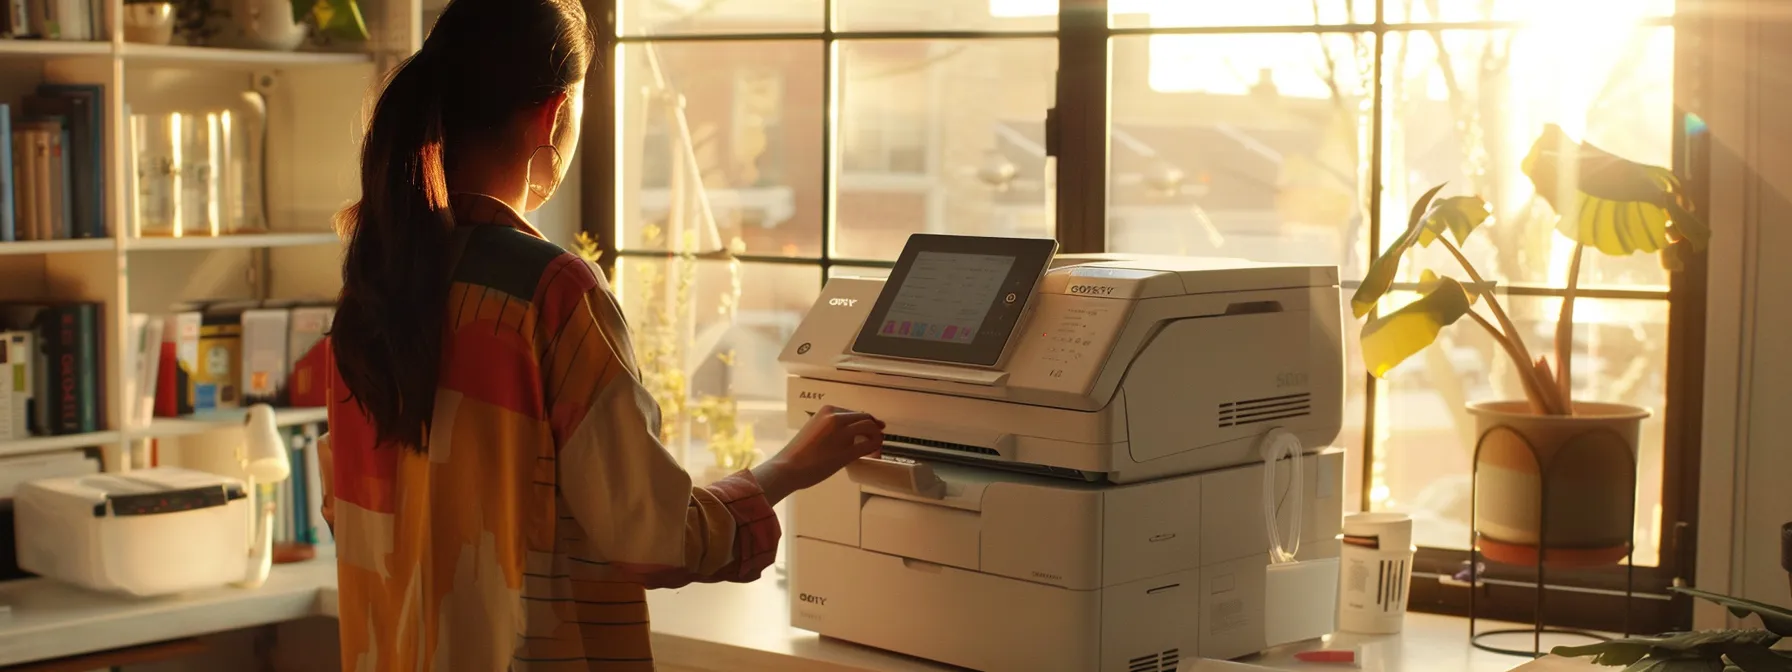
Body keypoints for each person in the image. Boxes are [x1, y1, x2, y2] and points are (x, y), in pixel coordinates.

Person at [315, 0, 886, 669]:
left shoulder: (374, 287)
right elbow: (649, 535)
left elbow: (352, 512)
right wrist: (787, 469)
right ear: (555, 116)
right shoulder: (551, 291)